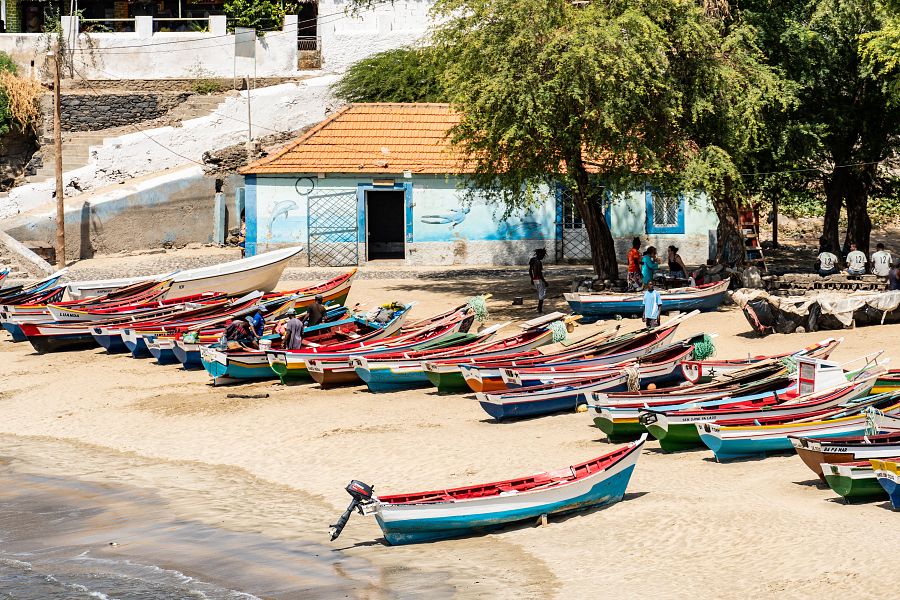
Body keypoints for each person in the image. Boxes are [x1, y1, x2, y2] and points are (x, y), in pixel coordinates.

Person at [528, 248, 548, 314]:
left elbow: (530, 270)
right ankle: (539, 309)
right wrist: (544, 281)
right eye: (542, 255)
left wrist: (532, 278)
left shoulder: (532, 260)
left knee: (540, 292)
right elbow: (539, 273)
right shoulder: (539, 262)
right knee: (541, 294)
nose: (542, 257)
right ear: (539, 254)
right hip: (539, 279)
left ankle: (539, 308)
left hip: (535, 279)